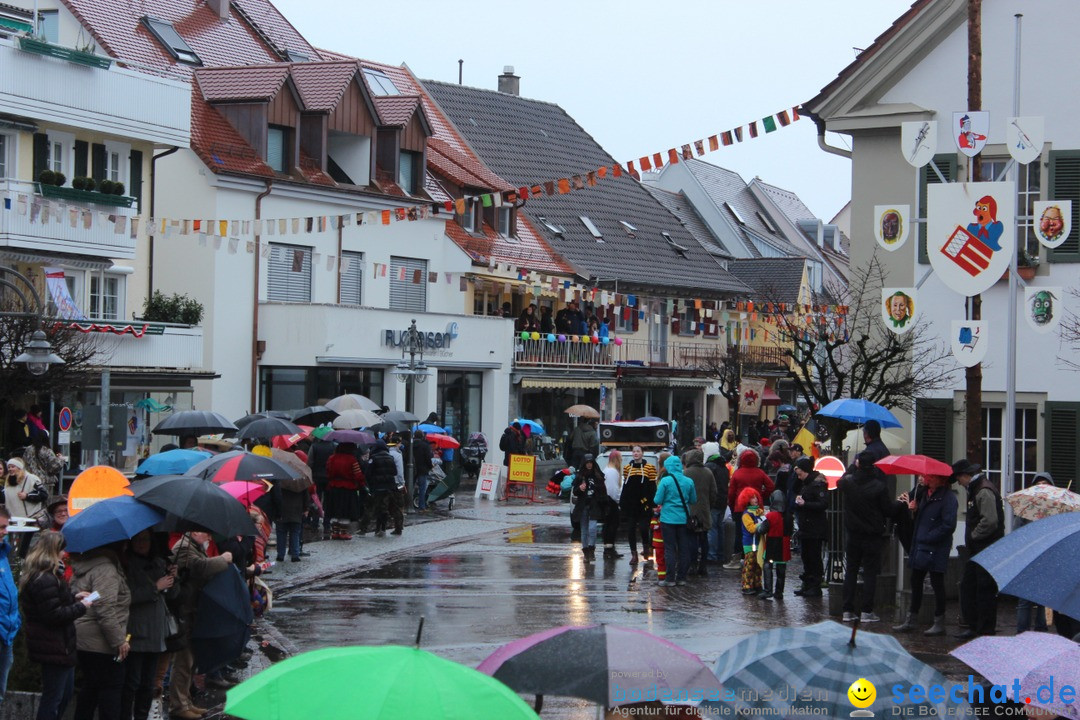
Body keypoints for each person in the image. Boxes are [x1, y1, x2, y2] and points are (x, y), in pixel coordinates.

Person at [20, 531, 91, 720]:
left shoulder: (50, 576)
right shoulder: (45, 578)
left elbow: (52, 603)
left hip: (59, 645)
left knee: (63, 696)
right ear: (54, 551)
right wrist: (81, 606)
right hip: (53, 645)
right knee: (54, 698)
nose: (65, 554)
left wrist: (73, 597)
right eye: (62, 550)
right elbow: (53, 615)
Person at [168, 531, 231, 720]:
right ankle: (178, 706)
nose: (210, 538)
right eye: (206, 534)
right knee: (183, 661)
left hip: (192, 610)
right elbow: (200, 567)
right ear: (195, 532)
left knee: (190, 661)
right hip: (184, 611)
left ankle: (185, 702)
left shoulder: (192, 546)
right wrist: (223, 559)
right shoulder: (184, 547)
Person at [70, 541, 131, 720]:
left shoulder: (87, 564)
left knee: (91, 688)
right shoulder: (106, 569)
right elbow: (104, 608)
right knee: (111, 689)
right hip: (100, 641)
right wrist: (119, 640)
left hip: (84, 638)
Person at [892, 473, 958, 636]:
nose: (926, 480)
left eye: (930, 478)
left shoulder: (948, 498)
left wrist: (928, 537)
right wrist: (914, 511)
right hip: (921, 545)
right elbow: (920, 521)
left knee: (937, 583)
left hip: (935, 547)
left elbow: (948, 525)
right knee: (916, 580)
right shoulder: (926, 495)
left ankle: (939, 621)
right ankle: (911, 619)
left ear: (940, 480)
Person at [123, 531, 177, 720]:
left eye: (145, 540)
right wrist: (155, 587)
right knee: (133, 681)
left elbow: (172, 595)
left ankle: (141, 715)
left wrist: (172, 578)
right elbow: (127, 596)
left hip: (157, 632)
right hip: (137, 630)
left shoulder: (159, 563)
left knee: (148, 682)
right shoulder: (127, 565)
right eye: (137, 540)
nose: (141, 544)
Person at [837, 451, 895, 623]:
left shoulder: (848, 482)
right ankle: (866, 611)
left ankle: (847, 609)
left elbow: (840, 480)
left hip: (853, 533)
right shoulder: (879, 486)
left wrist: (852, 468)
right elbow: (887, 510)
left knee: (851, 571)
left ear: (858, 464)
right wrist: (899, 504)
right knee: (870, 573)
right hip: (872, 534)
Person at [952, 458, 1003, 639]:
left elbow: (990, 521)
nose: (958, 482)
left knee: (984, 589)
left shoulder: (983, 491)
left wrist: (973, 536)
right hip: (979, 549)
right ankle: (976, 627)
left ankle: (984, 629)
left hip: (985, 549)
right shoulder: (978, 489)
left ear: (965, 475)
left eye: (958, 478)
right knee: (971, 587)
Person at [1015, 473, 1054, 633]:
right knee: (1025, 599)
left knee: (1043, 598)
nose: (1042, 487)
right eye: (1039, 484)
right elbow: (1018, 534)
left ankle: (1041, 630)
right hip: (1028, 558)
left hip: (1047, 558)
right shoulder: (1026, 508)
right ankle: (1022, 632)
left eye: (1045, 483)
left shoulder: (1054, 509)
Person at [725, 449, 775, 569]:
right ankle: (755, 557)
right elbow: (770, 486)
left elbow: (731, 494)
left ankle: (736, 560)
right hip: (756, 507)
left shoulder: (737, 474)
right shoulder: (760, 473)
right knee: (756, 533)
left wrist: (732, 505)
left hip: (739, 507)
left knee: (739, 534)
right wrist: (761, 496)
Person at [653, 455, 697, 586]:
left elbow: (657, 500)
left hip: (667, 519)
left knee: (669, 549)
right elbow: (693, 500)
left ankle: (670, 579)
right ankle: (682, 577)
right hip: (683, 519)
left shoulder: (665, 481)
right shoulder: (689, 481)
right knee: (684, 549)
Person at [792, 457, 827, 597]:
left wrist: (805, 504)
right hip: (806, 527)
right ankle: (807, 583)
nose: (799, 478)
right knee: (806, 556)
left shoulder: (817, 485)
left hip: (815, 528)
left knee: (814, 556)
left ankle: (815, 585)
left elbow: (823, 504)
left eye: (800, 474)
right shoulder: (806, 484)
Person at [620, 447, 657, 565]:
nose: (636, 453)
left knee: (643, 527)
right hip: (631, 504)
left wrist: (651, 503)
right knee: (630, 529)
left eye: (638, 451)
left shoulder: (649, 468)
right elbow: (625, 487)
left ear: (642, 453)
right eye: (634, 451)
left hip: (643, 504)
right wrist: (623, 502)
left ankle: (646, 547)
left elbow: (652, 487)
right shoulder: (627, 468)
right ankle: (634, 554)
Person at [681, 448, 715, 577]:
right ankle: (703, 565)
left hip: (690, 511)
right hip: (704, 510)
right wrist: (708, 505)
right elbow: (713, 493)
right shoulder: (708, 473)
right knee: (704, 538)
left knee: (692, 539)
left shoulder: (686, 473)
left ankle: (693, 564)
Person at [362, 441, 403, 537]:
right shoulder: (390, 458)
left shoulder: (374, 458)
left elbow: (368, 474)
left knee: (371, 508)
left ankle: (364, 529)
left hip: (378, 487)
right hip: (390, 486)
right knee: (393, 508)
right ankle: (397, 528)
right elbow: (394, 472)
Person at [324, 442, 365, 540]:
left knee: (334, 510)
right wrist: (362, 485)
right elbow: (358, 475)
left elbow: (328, 471)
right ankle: (343, 532)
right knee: (345, 511)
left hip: (333, 487)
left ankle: (335, 532)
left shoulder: (331, 458)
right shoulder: (352, 460)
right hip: (348, 489)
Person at [573, 456, 608, 563]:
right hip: (583, 505)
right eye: (587, 463)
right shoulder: (580, 476)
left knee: (592, 528)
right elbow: (575, 491)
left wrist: (603, 504)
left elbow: (603, 491)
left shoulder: (597, 475)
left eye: (590, 463)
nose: (589, 465)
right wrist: (580, 488)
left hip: (594, 505)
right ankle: (586, 553)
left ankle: (592, 549)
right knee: (584, 530)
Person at [269, 479, 311, 563]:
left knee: (281, 534)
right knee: (295, 533)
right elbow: (306, 497)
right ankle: (295, 555)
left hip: (282, 511)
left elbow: (275, 496)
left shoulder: (279, 481)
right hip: (296, 511)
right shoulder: (300, 482)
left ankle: (280, 555)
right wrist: (306, 508)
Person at [761, 490, 793, 601]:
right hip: (784, 545)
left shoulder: (770, 516)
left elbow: (761, 529)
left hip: (772, 543)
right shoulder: (789, 516)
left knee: (767, 565)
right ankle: (779, 592)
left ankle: (768, 590)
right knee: (781, 568)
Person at [702, 442, 729, 563]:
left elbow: (708, 487)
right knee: (720, 528)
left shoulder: (709, 466)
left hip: (713, 502)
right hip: (723, 500)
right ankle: (720, 554)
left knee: (712, 529)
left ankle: (712, 555)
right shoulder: (723, 465)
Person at [306, 433, 335, 539]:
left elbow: (309, 462)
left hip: (317, 477)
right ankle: (327, 525)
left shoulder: (314, 446)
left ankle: (314, 523)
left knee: (316, 501)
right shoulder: (333, 446)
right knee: (328, 502)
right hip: (329, 478)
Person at [737, 488, 766, 595]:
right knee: (749, 565)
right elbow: (751, 528)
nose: (755, 499)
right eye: (752, 497)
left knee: (758, 566)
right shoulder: (746, 515)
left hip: (759, 544)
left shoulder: (759, 512)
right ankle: (747, 585)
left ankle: (757, 585)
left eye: (755, 497)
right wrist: (762, 525)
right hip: (750, 544)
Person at [600, 451, 624, 560]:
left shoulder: (606, 470)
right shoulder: (613, 472)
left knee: (607, 525)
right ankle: (610, 549)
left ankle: (608, 548)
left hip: (606, 500)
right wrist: (618, 501)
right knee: (613, 525)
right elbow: (614, 489)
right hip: (612, 501)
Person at [412, 431, 434, 512]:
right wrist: (430, 466)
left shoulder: (411, 445)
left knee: (411, 487)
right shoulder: (425, 446)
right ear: (422, 436)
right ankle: (422, 506)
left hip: (412, 469)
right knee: (422, 488)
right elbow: (428, 458)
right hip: (423, 469)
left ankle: (409, 505)